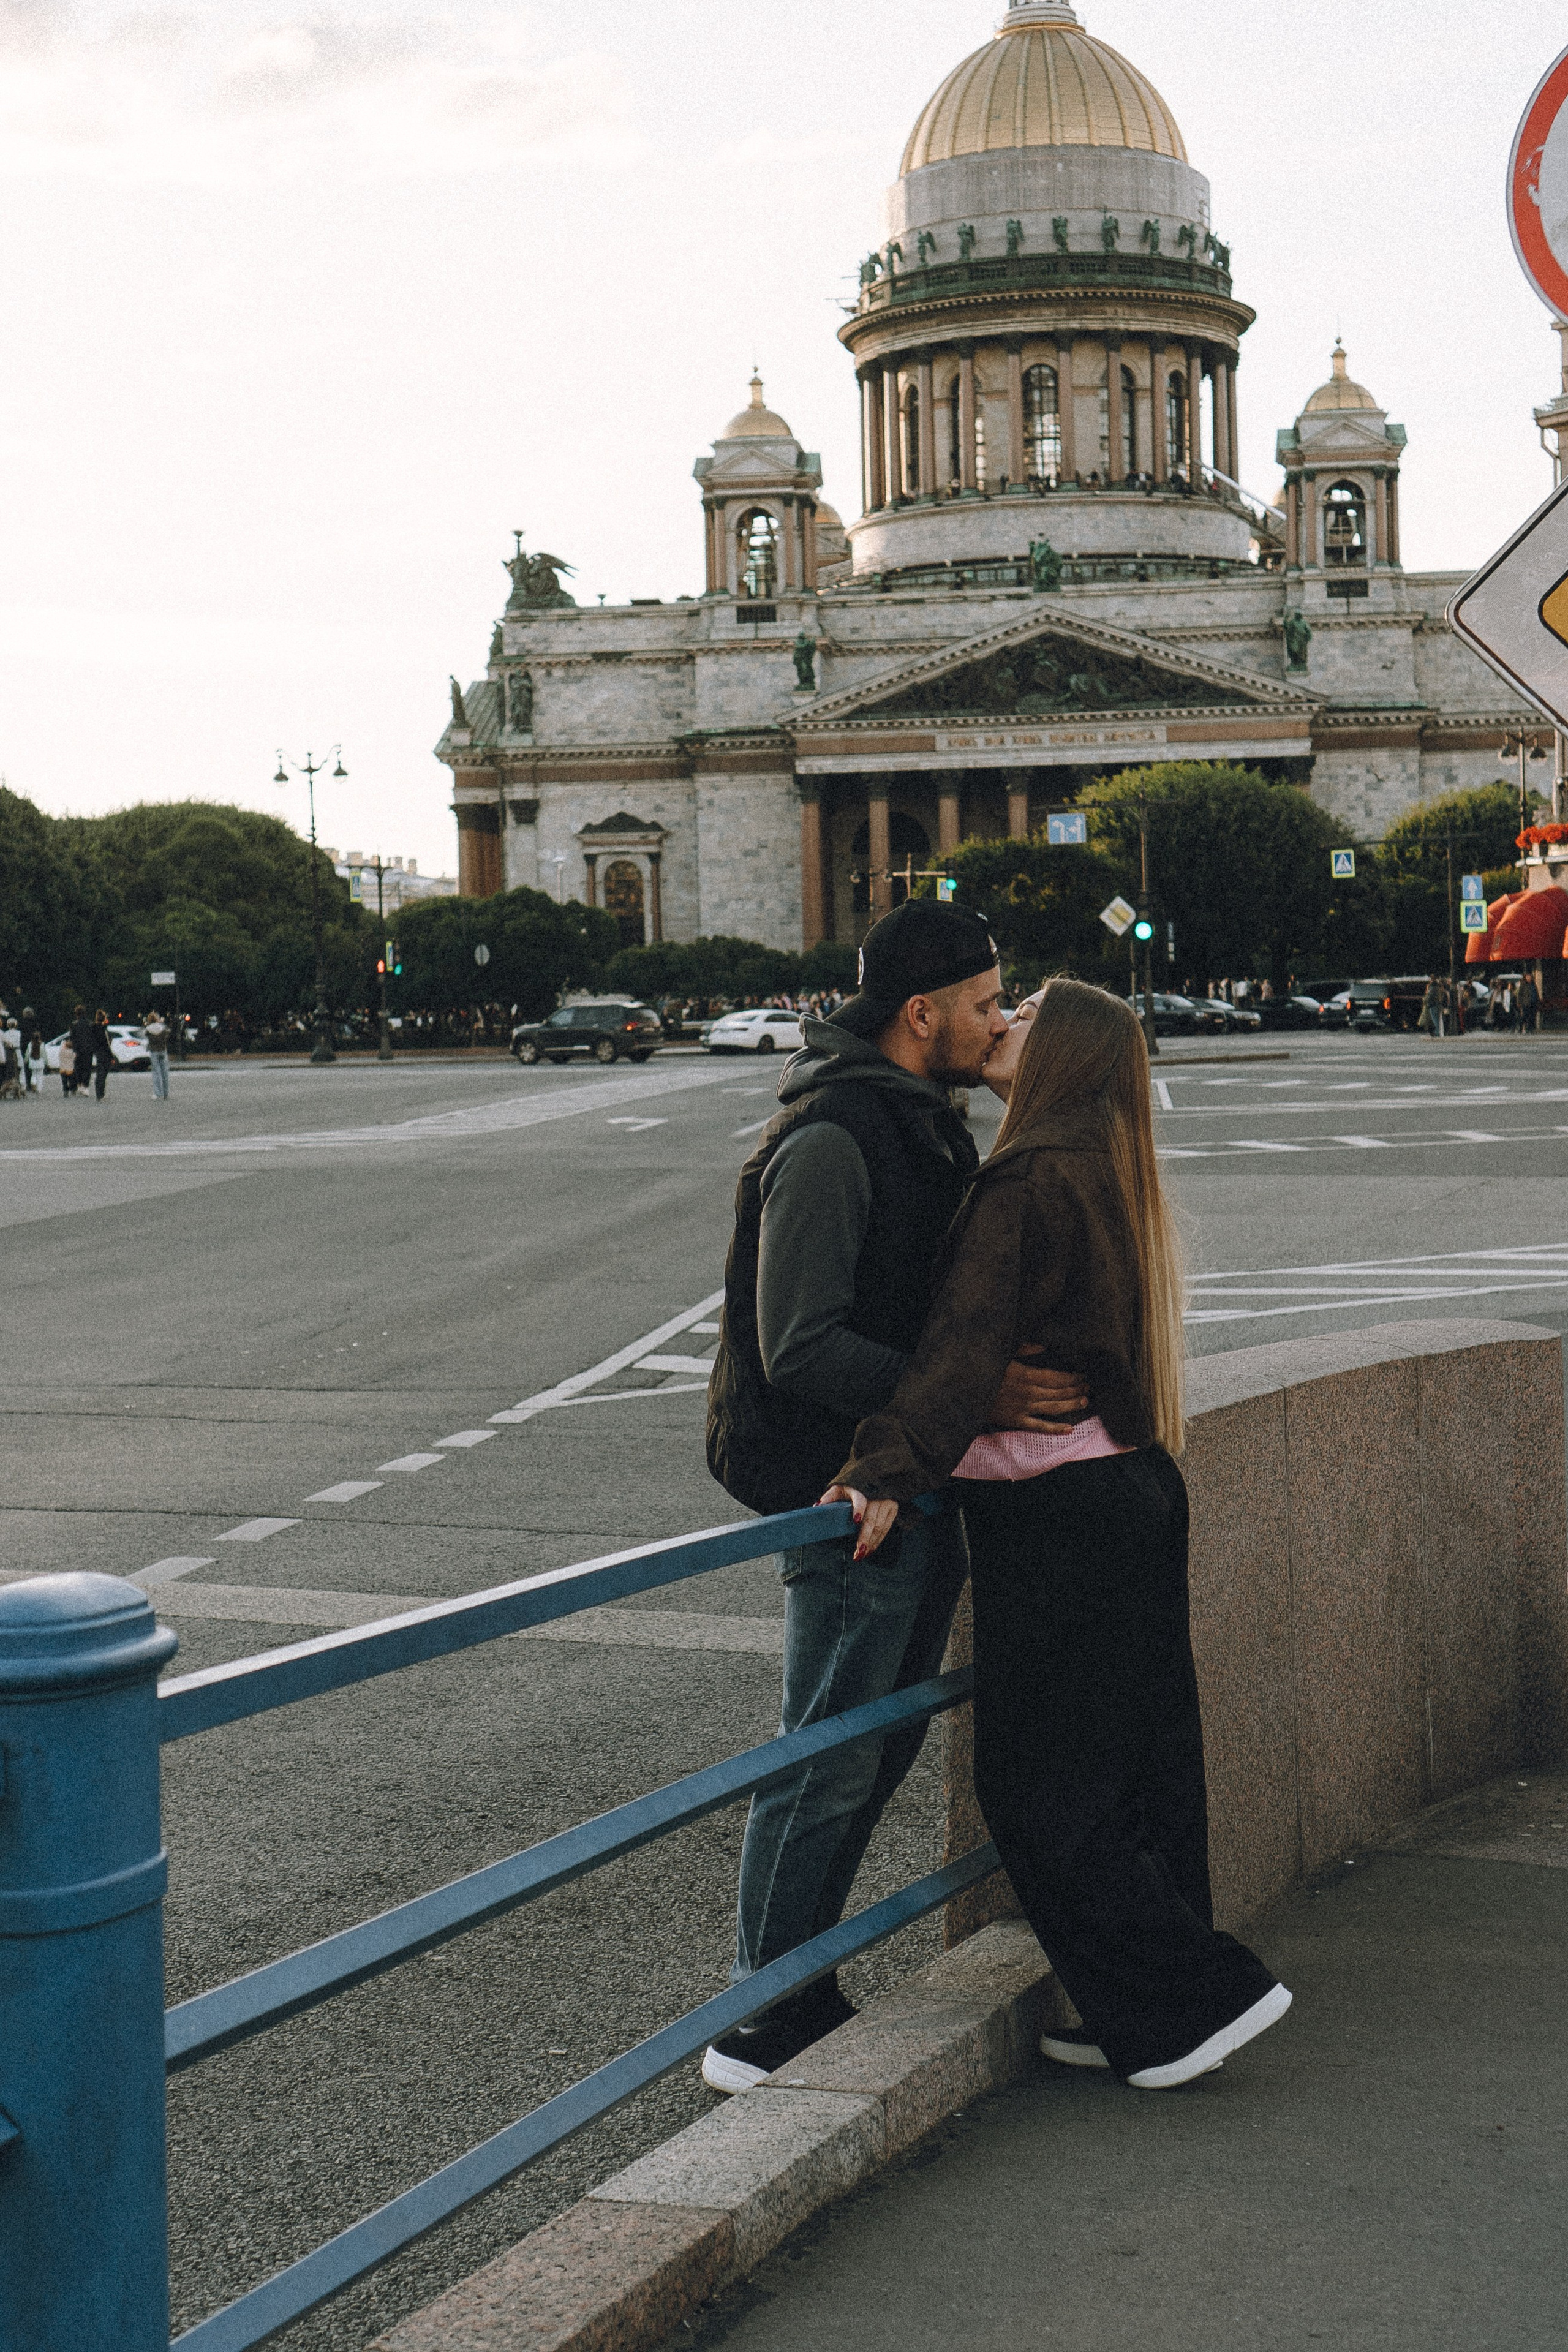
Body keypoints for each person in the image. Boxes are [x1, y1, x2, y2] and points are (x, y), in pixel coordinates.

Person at [826, 978, 1291, 2091]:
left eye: (1023, 1013)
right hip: (1130, 1487)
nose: (1002, 1021)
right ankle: (1144, 2014)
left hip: (1055, 1512)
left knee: (1040, 1787)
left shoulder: (1028, 1179)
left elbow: (960, 1350)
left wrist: (884, 1463)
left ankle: (1195, 1998)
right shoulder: (1104, 1165)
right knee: (1142, 1766)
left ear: (1060, 1056)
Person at [702, 900, 1089, 2092]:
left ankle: (799, 1987)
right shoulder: (831, 1137)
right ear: (919, 1015)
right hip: (839, 1491)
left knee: (870, 1743)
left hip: (899, 1472)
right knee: (828, 1751)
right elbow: (799, 1346)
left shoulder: (918, 1122)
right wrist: (967, 1395)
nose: (996, 1020)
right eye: (983, 1004)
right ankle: (764, 2015)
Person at [145, 1008, 172, 1100]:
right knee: (165, 1073)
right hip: (163, 1050)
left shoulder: (148, 1030)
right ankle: (166, 1094)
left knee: (156, 1073)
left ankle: (158, 1094)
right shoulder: (163, 1028)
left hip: (154, 1052)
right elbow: (168, 1034)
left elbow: (146, 1036)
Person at [88, 1008, 114, 1100]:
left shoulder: (92, 1028)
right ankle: (101, 1094)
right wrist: (111, 1056)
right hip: (105, 1053)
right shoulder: (103, 1030)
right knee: (103, 1074)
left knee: (99, 1073)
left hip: (98, 1053)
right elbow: (108, 1043)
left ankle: (99, 1093)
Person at [24, 1027, 45, 1096]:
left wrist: (26, 1061)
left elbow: (27, 1054)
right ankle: (39, 1089)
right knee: (40, 1076)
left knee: (34, 1074)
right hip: (40, 1062)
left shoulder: (30, 1044)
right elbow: (44, 1054)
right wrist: (47, 1062)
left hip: (32, 1062)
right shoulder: (42, 1044)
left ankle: (33, 1083)